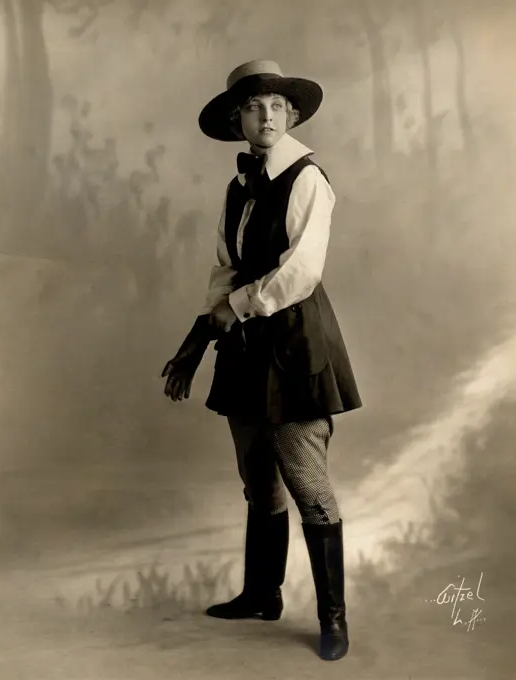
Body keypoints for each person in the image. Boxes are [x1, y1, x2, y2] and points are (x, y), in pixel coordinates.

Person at [161, 60, 362, 662]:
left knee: (307, 481)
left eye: (276, 105)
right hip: (246, 349)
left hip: (294, 342)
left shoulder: (307, 179)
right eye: (253, 107)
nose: (266, 115)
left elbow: (302, 271)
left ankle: (333, 619)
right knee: (258, 479)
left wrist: (240, 308)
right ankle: (261, 593)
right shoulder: (236, 188)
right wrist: (203, 330)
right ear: (236, 120)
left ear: (292, 115)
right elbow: (224, 267)